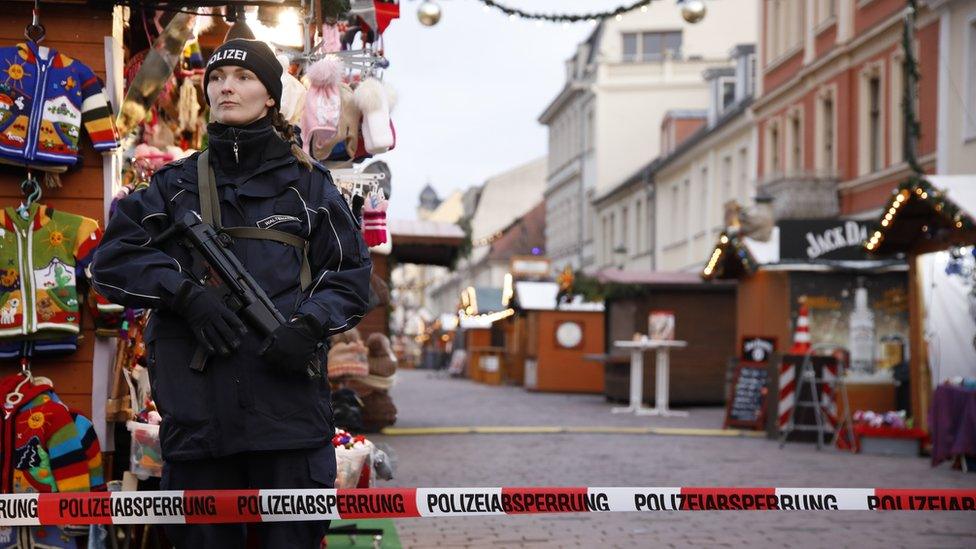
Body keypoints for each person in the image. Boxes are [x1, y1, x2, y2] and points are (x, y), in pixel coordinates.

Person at [91, 39, 371, 547]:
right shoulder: (172, 186)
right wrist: (183, 295)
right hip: (201, 427)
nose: (226, 86)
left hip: (289, 423)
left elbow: (351, 275)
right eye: (218, 78)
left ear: (270, 96)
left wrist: (308, 325)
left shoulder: (308, 187)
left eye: (243, 77)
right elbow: (110, 262)